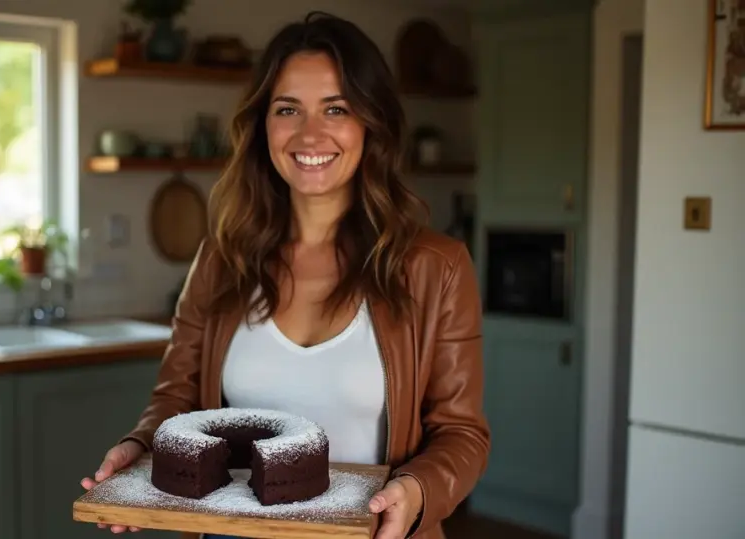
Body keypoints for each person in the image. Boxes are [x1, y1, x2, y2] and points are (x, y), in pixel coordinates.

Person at [80, 11, 490, 539]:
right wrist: (139, 448)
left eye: (336, 108)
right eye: (288, 109)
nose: (309, 133)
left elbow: (462, 434)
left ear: (371, 122)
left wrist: (414, 491)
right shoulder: (221, 260)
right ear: (262, 125)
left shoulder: (437, 268)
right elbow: (176, 400)